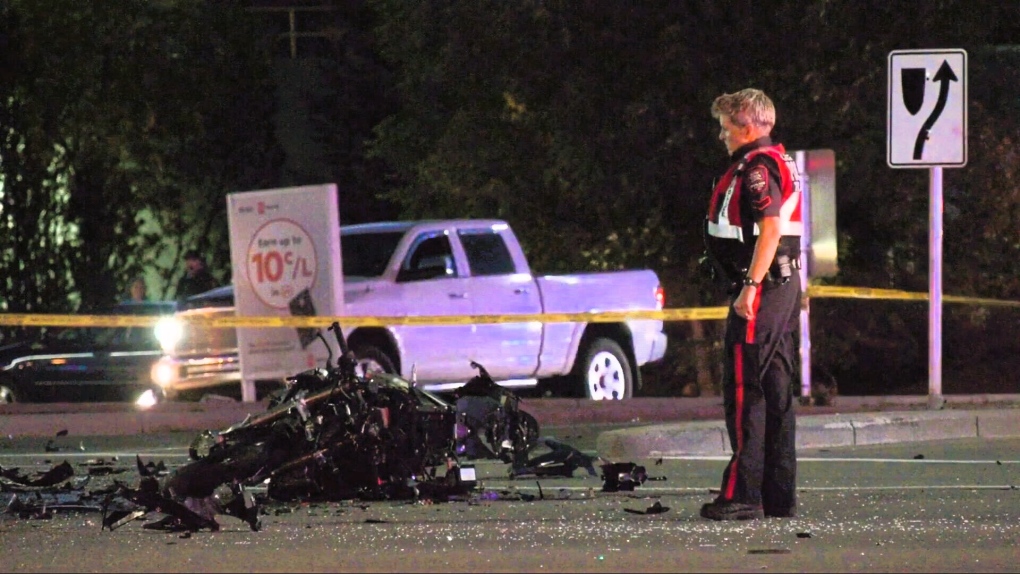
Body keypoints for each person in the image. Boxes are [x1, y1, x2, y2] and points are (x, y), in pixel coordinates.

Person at [699, 88, 803, 521]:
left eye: (726, 127)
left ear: (747, 125)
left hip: (762, 290)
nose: (722, 136)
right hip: (780, 288)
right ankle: (778, 497)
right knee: (775, 390)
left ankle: (742, 495)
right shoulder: (773, 160)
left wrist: (749, 286)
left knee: (746, 392)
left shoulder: (758, 168)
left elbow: (771, 228)